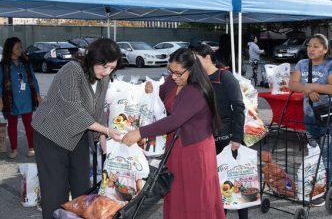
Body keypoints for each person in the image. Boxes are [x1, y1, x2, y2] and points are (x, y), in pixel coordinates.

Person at [122, 48, 225, 219]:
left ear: (192, 69)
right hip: (176, 147)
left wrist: (140, 132)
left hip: (195, 151)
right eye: (171, 71)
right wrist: (150, 88)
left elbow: (174, 120)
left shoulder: (196, 91)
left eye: (179, 73)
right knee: (176, 194)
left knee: (195, 198)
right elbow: (161, 93)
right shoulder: (173, 80)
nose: (174, 76)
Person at [32, 38, 123, 218]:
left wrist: (103, 140)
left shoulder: (103, 79)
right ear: (93, 59)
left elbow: (97, 111)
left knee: (83, 188)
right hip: (51, 134)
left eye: (112, 68)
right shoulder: (72, 70)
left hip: (78, 134)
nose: (107, 72)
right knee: (55, 190)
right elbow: (73, 108)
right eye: (104, 67)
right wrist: (105, 130)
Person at [191, 43, 248, 219]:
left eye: (195, 59)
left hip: (228, 135)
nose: (192, 64)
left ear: (207, 57)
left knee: (234, 179)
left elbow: (239, 107)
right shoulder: (195, 79)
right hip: (206, 136)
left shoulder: (225, 76)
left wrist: (237, 138)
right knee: (213, 181)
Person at [288, 34, 332, 206]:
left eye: (316, 46)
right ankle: (318, 185)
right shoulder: (302, 64)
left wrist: (312, 86)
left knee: (327, 154)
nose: (311, 49)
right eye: (310, 46)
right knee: (314, 153)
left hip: (329, 117)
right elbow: (292, 84)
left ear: (325, 50)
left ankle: (330, 187)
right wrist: (308, 90)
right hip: (309, 116)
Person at [0, 37, 41, 159]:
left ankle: (31, 147)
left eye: (20, 47)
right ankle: (14, 149)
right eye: (17, 47)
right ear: (10, 49)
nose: (20, 49)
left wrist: (38, 95)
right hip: (11, 99)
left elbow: (33, 79)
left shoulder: (26, 63)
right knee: (12, 124)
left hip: (26, 98)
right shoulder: (3, 65)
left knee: (28, 123)